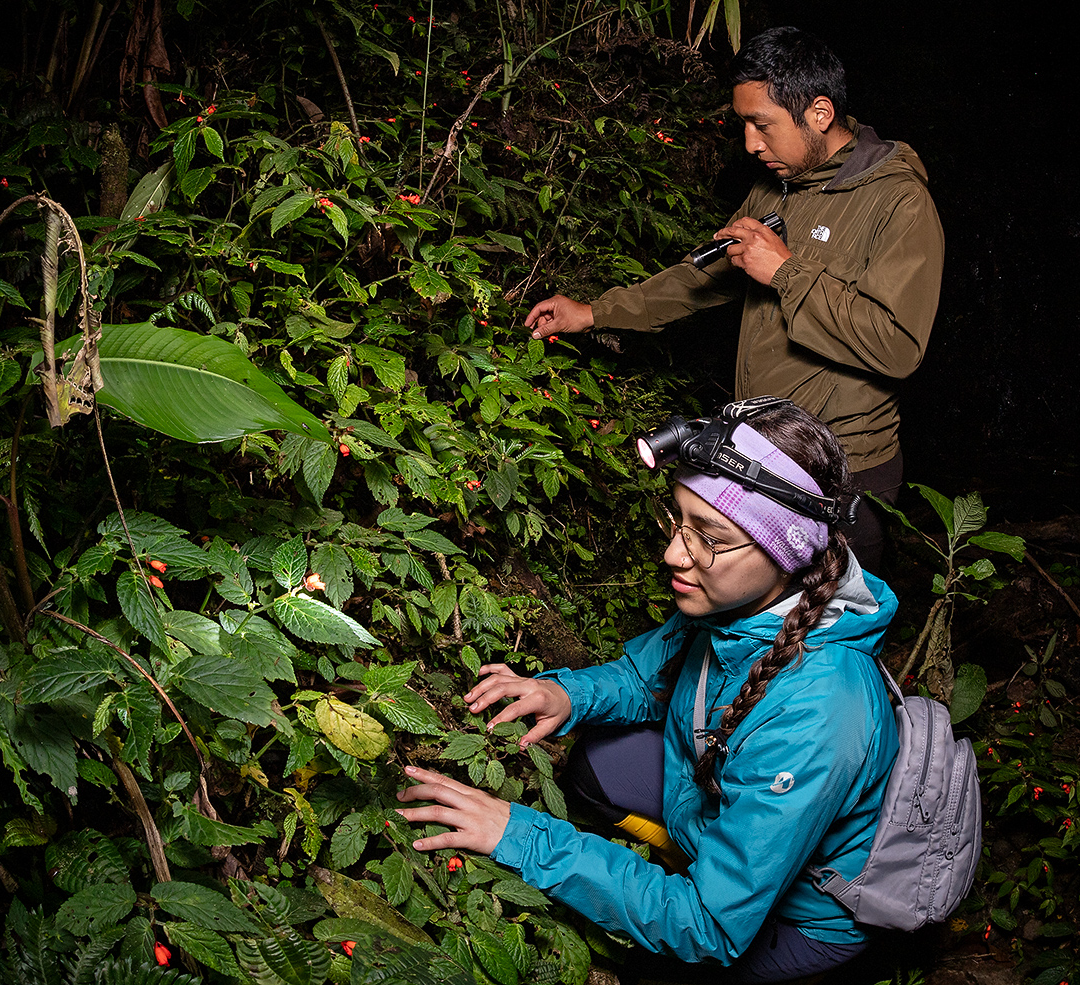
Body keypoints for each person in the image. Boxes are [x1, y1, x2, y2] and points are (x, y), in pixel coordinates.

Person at [396, 400, 900, 983]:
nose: (673, 554)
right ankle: (688, 859)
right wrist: (566, 695)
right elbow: (646, 677)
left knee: (651, 967)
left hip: (802, 918)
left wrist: (521, 836)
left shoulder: (822, 709)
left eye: (709, 536)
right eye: (678, 521)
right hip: (711, 796)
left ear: (785, 554)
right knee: (594, 765)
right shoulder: (740, 604)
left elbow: (709, 924)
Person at [522, 26, 945, 574]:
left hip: (842, 469)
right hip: (760, 454)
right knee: (757, 625)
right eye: (744, 124)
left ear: (819, 112)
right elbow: (704, 276)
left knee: (829, 636)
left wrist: (787, 272)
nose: (750, 144)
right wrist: (597, 312)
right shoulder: (779, 185)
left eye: (762, 124)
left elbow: (898, 346)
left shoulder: (899, 202)